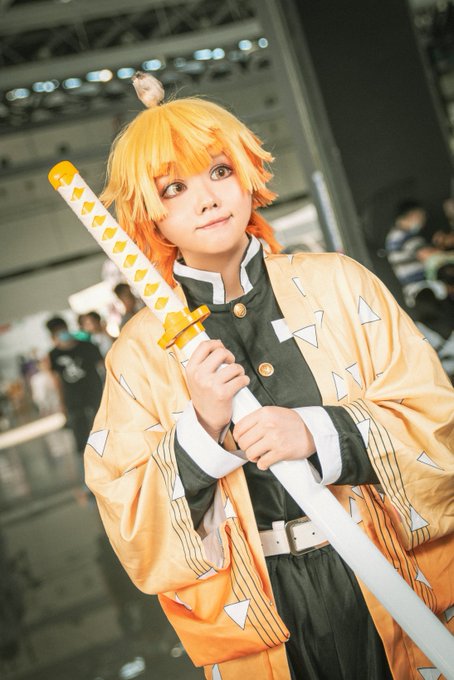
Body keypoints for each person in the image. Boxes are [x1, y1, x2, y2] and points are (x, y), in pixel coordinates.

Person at [84, 74, 454, 680]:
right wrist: (201, 430)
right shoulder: (139, 352)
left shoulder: (340, 283)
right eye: (174, 188)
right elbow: (127, 509)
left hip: (394, 577)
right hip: (263, 618)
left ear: (248, 175)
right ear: (150, 216)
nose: (207, 198)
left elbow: (436, 420)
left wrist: (316, 432)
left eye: (219, 171)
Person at [46, 316, 104, 457]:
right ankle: (86, 455)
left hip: (94, 391)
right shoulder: (54, 355)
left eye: (62, 330)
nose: (61, 334)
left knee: (101, 420)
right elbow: (57, 379)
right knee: (79, 426)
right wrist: (61, 402)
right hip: (72, 396)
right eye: (56, 332)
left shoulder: (87, 346)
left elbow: (102, 367)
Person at [385, 200, 441, 306]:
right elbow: (430, 256)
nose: (423, 221)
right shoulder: (403, 236)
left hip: (418, 293)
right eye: (422, 216)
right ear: (413, 214)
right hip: (423, 292)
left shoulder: (394, 236)